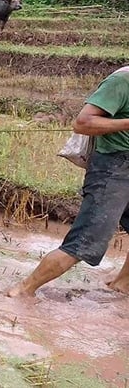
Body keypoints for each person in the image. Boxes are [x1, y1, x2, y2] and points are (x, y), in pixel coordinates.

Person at [7, 66, 129, 297]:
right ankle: (23, 290)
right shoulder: (122, 81)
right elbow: (82, 123)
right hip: (114, 168)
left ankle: (122, 285)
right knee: (85, 241)